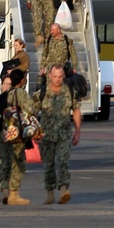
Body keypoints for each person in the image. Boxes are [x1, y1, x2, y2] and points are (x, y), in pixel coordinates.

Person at [0, 68, 33, 206]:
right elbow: (30, 111)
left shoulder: (5, 95)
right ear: (23, 80)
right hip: (17, 134)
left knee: (5, 162)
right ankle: (13, 193)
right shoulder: (21, 94)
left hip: (3, 133)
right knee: (19, 163)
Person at [37, 64, 81, 203]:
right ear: (49, 76)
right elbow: (30, 112)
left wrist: (78, 131)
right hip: (46, 136)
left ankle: (63, 189)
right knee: (49, 165)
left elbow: (76, 110)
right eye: (55, 76)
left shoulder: (70, 92)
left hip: (64, 134)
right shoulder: (41, 93)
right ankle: (50, 192)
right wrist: (34, 133)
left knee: (62, 162)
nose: (57, 79)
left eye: (60, 76)